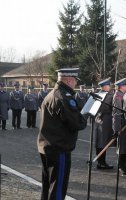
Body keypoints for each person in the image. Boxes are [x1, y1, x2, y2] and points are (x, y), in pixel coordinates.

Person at [37, 68, 87, 200]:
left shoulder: (52, 93)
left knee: (47, 185)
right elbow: (77, 123)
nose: (75, 84)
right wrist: (85, 116)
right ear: (69, 80)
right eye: (75, 81)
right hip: (59, 148)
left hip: (47, 146)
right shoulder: (64, 97)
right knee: (57, 188)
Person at [94, 77, 114, 170]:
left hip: (98, 119)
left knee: (99, 142)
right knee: (103, 142)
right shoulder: (109, 95)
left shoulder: (98, 94)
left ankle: (100, 161)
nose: (109, 87)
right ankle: (102, 162)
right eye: (108, 85)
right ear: (105, 86)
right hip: (105, 119)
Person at [112, 78, 126, 176]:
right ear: (121, 87)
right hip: (121, 124)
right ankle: (121, 166)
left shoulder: (123, 95)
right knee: (121, 146)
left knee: (125, 146)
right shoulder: (117, 96)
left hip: (125, 124)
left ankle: (124, 164)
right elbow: (116, 114)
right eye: (125, 85)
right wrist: (116, 129)